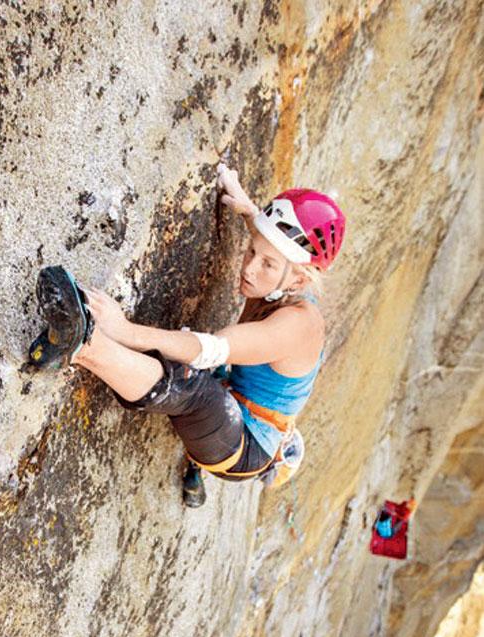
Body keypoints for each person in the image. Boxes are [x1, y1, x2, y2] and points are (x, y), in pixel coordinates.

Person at [28, 163, 345, 506]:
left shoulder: (297, 325)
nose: (249, 268)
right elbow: (270, 244)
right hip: (237, 401)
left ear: (299, 280)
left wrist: (125, 330)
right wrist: (247, 208)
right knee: (183, 358)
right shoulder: (284, 280)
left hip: (246, 449)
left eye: (266, 265)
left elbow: (209, 349)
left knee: (191, 383)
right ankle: (194, 468)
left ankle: (83, 344)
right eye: (252, 250)